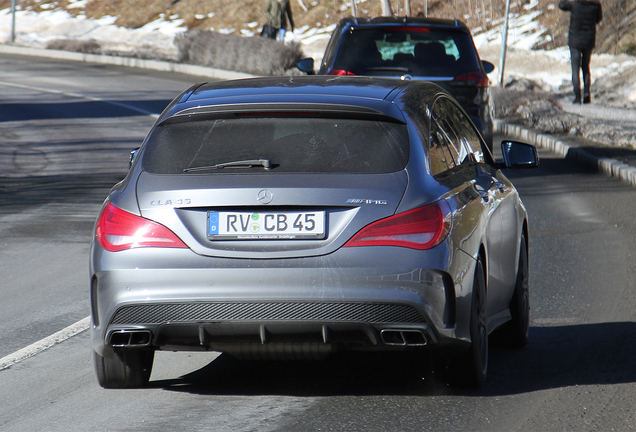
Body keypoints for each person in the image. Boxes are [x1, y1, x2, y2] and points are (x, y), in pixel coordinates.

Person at [558, 0, 603, 104]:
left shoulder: (575, 4)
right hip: (589, 40)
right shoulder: (596, 5)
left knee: (575, 68)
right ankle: (587, 93)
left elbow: (561, 5)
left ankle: (577, 96)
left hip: (575, 40)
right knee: (586, 67)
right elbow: (598, 19)